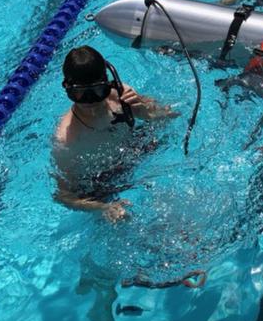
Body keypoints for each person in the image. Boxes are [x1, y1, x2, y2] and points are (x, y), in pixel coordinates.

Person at [53, 45, 178, 222]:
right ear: (67, 89)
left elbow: (171, 115)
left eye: (97, 90)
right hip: (103, 185)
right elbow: (63, 196)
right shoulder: (67, 140)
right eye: (80, 93)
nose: (90, 101)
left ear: (108, 83)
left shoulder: (120, 97)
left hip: (138, 155)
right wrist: (103, 208)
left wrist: (144, 111)